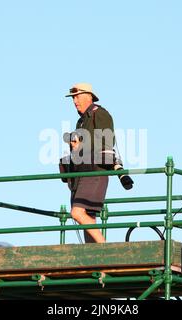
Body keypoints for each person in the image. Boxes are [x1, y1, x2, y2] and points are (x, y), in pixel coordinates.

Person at [63, 83, 115, 243]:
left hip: (95, 172)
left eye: (77, 96)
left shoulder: (99, 114)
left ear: (89, 96)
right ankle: (99, 262)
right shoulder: (81, 121)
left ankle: (106, 250)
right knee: (88, 218)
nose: (74, 101)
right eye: (73, 98)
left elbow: (108, 141)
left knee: (77, 213)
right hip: (83, 173)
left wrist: (81, 145)